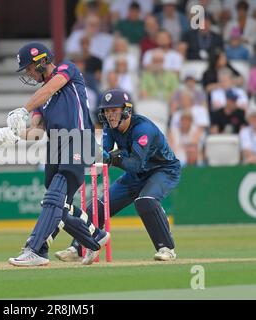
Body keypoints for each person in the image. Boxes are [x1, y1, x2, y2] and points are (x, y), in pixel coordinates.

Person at [0, 42, 110, 266]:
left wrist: (22, 109)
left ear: (42, 61)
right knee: (58, 204)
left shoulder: (67, 69)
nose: (28, 72)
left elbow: (48, 89)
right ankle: (95, 236)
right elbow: (36, 132)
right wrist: (12, 135)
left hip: (78, 139)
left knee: (54, 198)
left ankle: (35, 249)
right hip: (55, 146)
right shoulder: (41, 101)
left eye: (29, 67)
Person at [55, 89, 181, 262]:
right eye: (106, 111)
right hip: (135, 175)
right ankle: (78, 248)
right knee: (96, 207)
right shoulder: (109, 127)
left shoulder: (143, 129)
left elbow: (135, 164)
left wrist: (111, 158)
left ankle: (167, 248)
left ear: (127, 110)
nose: (110, 115)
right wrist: (94, 165)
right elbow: (104, 154)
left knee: (146, 201)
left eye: (114, 110)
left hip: (163, 170)